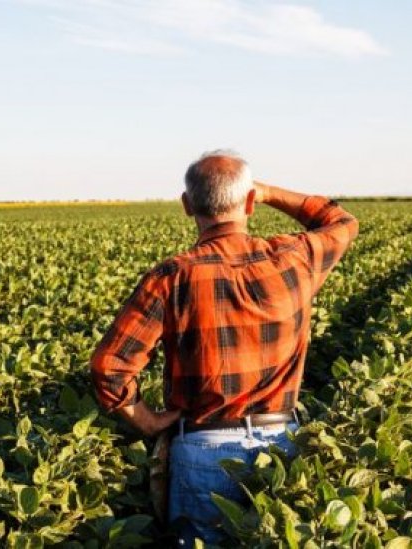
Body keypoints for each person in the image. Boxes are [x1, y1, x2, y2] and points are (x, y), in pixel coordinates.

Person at [89, 150, 359, 544]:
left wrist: (146, 421)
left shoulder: (170, 277)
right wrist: (268, 192)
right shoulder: (294, 259)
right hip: (279, 445)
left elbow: (109, 367)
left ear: (187, 206)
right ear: (250, 202)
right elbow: (341, 221)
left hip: (201, 449)